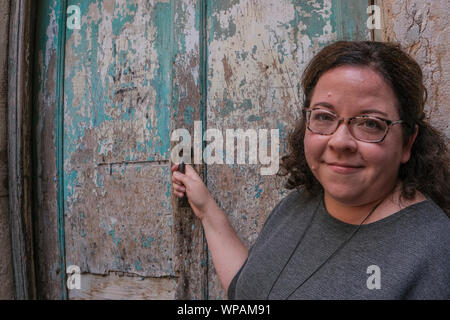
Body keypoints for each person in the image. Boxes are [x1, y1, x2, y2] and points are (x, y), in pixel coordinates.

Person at [171, 41, 450, 300]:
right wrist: (206, 209)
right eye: (324, 117)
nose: (340, 141)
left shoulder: (434, 251)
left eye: (370, 123)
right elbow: (248, 290)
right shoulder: (297, 204)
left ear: (407, 142)